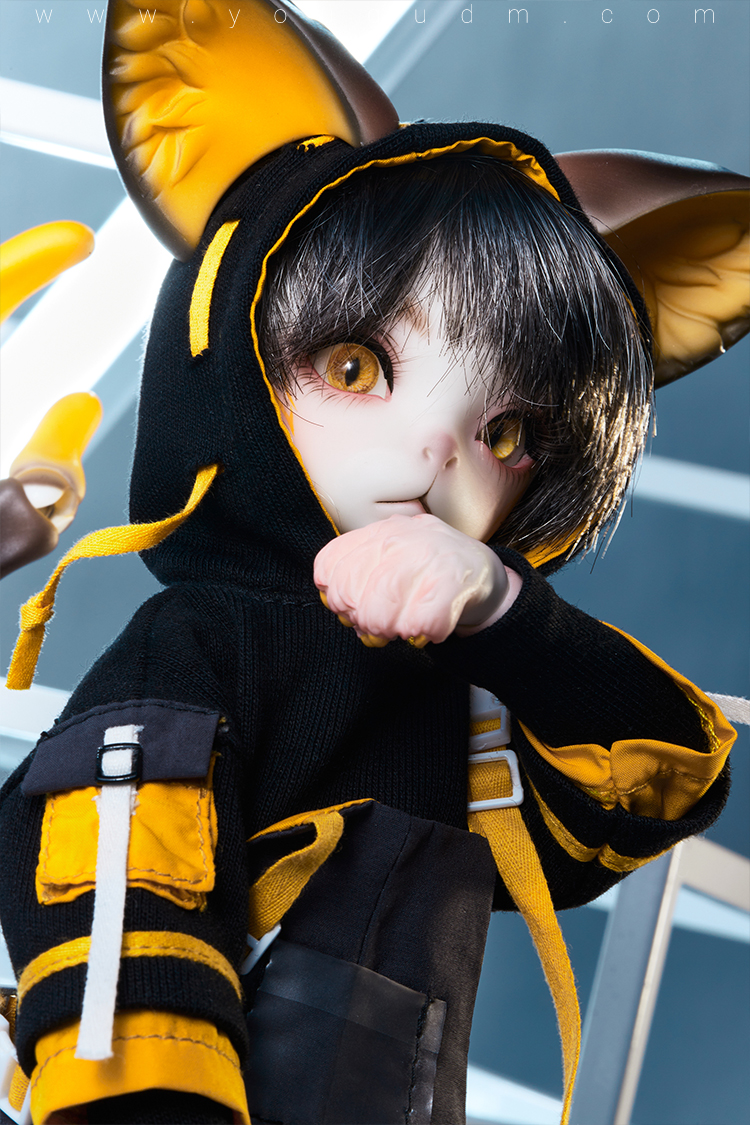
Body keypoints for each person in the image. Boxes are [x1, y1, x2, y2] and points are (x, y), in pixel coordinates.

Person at [0, 4, 746, 1124]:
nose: (438, 449)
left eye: (507, 435)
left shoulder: (463, 700)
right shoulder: (204, 635)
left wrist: (509, 616)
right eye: (355, 365)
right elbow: (108, 847)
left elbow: (653, 782)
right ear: (230, 347)